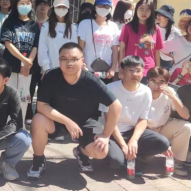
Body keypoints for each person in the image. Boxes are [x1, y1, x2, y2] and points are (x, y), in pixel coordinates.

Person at [28, 43, 122, 179]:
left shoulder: (91, 80)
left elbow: (116, 106)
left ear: (82, 61)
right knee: (38, 119)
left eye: (74, 59)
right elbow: (41, 106)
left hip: (86, 123)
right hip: (58, 122)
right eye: (64, 59)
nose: (69, 63)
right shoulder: (51, 76)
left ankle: (81, 152)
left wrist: (106, 135)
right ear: (59, 60)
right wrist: (67, 121)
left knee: (101, 152)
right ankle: (38, 160)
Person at [103, 56, 171, 173]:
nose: (135, 74)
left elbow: (143, 119)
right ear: (122, 71)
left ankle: (134, 157)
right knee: (115, 161)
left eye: (138, 70)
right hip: (111, 132)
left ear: (143, 72)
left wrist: (134, 140)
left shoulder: (146, 91)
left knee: (163, 143)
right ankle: (121, 155)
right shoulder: (110, 89)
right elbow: (109, 120)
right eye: (131, 70)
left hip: (131, 131)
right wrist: (123, 145)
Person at [0, 0, 40, 126]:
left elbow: (35, 46)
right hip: (11, 67)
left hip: (27, 69)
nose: (25, 6)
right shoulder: (9, 22)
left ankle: (20, 125)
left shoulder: (34, 25)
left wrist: (29, 63)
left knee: (24, 98)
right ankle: (7, 125)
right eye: (22, 3)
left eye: (28, 3)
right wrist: (24, 60)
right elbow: (8, 43)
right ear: (15, 5)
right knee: (9, 96)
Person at [146, 67, 191, 177]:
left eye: (161, 82)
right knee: (144, 160)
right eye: (153, 81)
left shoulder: (170, 92)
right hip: (144, 131)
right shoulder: (142, 92)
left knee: (186, 126)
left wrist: (173, 98)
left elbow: (186, 115)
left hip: (162, 128)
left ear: (167, 83)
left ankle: (177, 161)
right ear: (147, 81)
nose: (157, 86)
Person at [78, 0, 120, 83]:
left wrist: (113, 68)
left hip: (107, 72)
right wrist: (82, 64)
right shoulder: (85, 24)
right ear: (95, 7)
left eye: (107, 6)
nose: (104, 8)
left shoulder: (113, 26)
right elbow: (80, 47)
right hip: (88, 70)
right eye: (101, 5)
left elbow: (115, 50)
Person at [119, 0, 164, 78]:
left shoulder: (156, 29)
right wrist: (121, 69)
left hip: (149, 71)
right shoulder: (127, 27)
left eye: (148, 10)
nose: (144, 12)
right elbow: (121, 50)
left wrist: (157, 70)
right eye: (141, 9)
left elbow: (157, 52)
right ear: (136, 10)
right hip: (131, 69)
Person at [38, 0, 78, 74]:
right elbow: (42, 49)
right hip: (50, 70)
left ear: (68, 9)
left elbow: (74, 50)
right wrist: (46, 68)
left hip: (68, 70)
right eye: (59, 7)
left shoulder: (72, 28)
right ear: (54, 8)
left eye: (64, 7)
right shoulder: (46, 26)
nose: (61, 9)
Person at [156, 5, 182, 70]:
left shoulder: (176, 33)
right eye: (158, 14)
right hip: (152, 58)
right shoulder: (152, 28)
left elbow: (179, 52)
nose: (158, 16)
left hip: (166, 63)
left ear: (167, 17)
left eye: (161, 14)